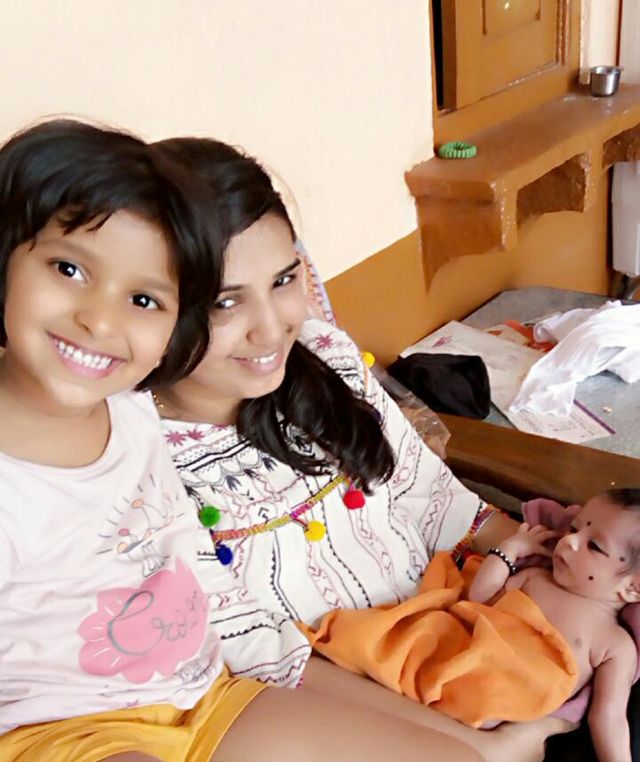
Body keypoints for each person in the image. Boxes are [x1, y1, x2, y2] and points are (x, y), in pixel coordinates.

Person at [0, 119, 482, 762]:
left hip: (208, 695)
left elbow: (201, 583)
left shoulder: (132, 413)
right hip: (60, 730)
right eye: (68, 269)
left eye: (144, 299)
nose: (100, 320)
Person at [151, 136, 571, 761]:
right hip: (332, 711)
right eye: (225, 301)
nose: (272, 327)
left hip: (461, 635)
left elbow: (428, 496)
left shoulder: (325, 360)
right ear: (150, 306)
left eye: (283, 279)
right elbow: (260, 653)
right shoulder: (140, 464)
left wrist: (556, 556)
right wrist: (479, 749)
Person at [468, 487, 640, 762]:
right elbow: (480, 598)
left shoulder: (616, 644)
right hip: (469, 670)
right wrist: (509, 549)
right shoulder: (535, 578)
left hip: (506, 718)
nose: (569, 541)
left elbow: (609, 717)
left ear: (633, 587)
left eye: (594, 546)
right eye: (574, 529)